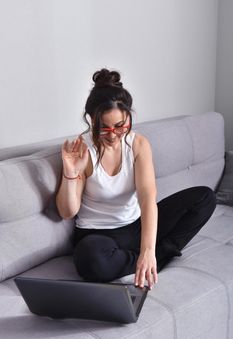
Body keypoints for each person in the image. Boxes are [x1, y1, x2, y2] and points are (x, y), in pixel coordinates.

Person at [56, 68, 216, 291]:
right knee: (89, 261)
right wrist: (71, 172)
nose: (113, 135)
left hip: (135, 227)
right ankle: (155, 260)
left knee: (204, 198)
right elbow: (67, 211)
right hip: (99, 236)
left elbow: (147, 198)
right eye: (105, 128)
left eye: (120, 126)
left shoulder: (138, 144)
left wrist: (148, 250)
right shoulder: (83, 149)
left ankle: (151, 258)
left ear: (128, 117)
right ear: (92, 121)